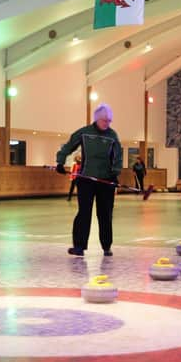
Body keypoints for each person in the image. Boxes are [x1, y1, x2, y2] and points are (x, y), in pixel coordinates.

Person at [55, 103, 123, 257]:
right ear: (97, 119)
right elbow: (68, 146)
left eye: (109, 121)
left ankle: (106, 246)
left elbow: (118, 156)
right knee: (84, 212)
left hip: (106, 181)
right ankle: (79, 246)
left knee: (105, 213)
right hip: (86, 178)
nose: (107, 123)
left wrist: (115, 173)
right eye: (105, 120)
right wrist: (60, 161)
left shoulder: (112, 136)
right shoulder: (84, 133)